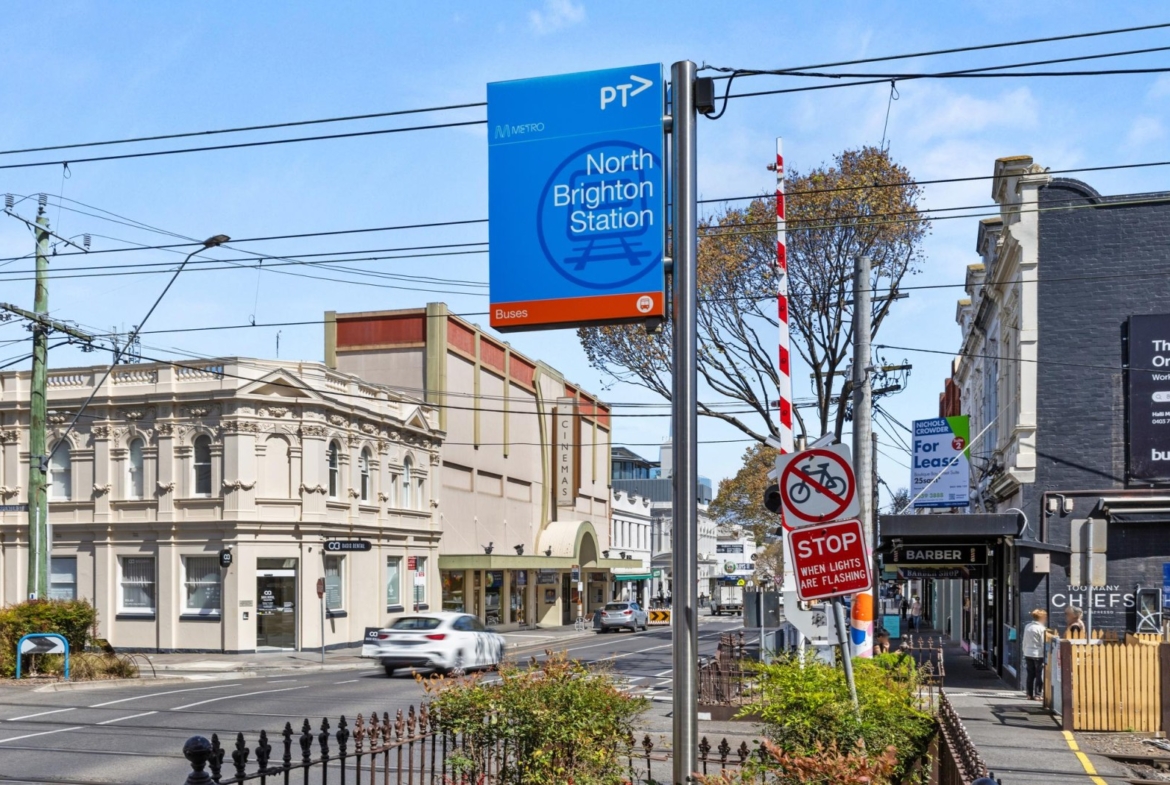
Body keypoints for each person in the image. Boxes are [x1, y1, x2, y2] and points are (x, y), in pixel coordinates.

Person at [1022, 609, 1048, 701]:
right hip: (1038, 654)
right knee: (1039, 675)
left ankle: (1029, 694)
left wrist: (1024, 651)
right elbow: (1043, 643)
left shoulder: (1027, 626)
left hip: (1028, 653)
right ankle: (1038, 694)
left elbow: (1024, 640)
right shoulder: (1042, 629)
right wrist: (1046, 655)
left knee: (1030, 675)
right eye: (1045, 617)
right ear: (1042, 618)